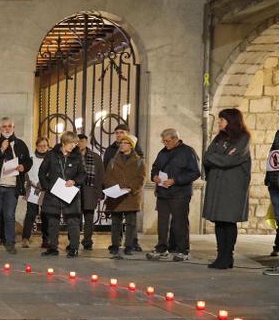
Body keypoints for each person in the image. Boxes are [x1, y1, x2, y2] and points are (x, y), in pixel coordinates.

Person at [203, 108, 252, 270]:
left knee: (228, 221)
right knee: (219, 222)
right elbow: (207, 156)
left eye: (222, 120)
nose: (219, 122)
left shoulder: (243, 138)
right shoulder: (219, 138)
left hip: (232, 188)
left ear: (231, 121)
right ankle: (220, 256)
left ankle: (227, 256)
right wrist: (219, 158)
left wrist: (216, 158)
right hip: (217, 187)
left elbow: (231, 160)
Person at [146, 129, 201, 262]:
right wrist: (155, 177)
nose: (165, 144)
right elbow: (155, 167)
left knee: (180, 222)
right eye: (163, 141)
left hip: (180, 193)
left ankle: (183, 250)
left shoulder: (188, 152)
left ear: (176, 139)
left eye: (167, 141)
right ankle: (161, 248)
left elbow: (195, 172)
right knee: (162, 222)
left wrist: (175, 180)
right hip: (163, 193)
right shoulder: (163, 152)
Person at [0, 117, 32, 254]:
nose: (7, 129)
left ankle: (10, 243)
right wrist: (1, 151)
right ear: (0, 129)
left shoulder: (20, 144)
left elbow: (28, 161)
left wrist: (24, 166)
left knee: (9, 216)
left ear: (13, 128)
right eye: (4, 126)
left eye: (10, 126)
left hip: (12, 187)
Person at [38, 131, 86, 258]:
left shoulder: (78, 156)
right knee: (52, 221)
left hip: (70, 194)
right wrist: (48, 187)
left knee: (73, 221)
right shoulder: (51, 155)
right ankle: (53, 248)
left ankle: (74, 248)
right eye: (71, 143)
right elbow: (42, 172)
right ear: (64, 142)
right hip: (53, 193)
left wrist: (74, 181)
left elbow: (83, 174)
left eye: (75, 143)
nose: (74, 146)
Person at [103, 123, 145, 252]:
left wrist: (130, 188)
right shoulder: (113, 160)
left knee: (131, 223)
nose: (122, 145)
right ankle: (115, 245)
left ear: (131, 146)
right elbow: (107, 176)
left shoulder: (139, 161)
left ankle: (129, 245)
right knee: (116, 222)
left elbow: (141, 178)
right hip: (116, 194)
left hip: (131, 195)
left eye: (125, 143)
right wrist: (114, 188)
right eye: (121, 143)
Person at [77, 134, 105, 251]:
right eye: (78, 141)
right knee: (74, 218)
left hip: (90, 191)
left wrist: (100, 193)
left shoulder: (95, 157)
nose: (80, 143)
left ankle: (87, 241)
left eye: (82, 141)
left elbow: (100, 176)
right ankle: (73, 240)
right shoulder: (72, 156)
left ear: (86, 142)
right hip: (76, 191)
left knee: (89, 218)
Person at [21, 136, 50, 249]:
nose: (42, 148)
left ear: (48, 146)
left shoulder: (51, 158)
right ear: (36, 146)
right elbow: (27, 172)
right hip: (33, 188)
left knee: (46, 215)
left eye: (45, 146)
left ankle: (46, 239)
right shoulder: (31, 158)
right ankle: (25, 238)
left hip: (46, 189)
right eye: (40, 146)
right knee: (30, 214)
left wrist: (44, 184)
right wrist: (33, 183)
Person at [267, 130, 279, 257]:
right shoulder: (278, 134)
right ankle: (277, 245)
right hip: (274, 182)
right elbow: (272, 155)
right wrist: (269, 178)